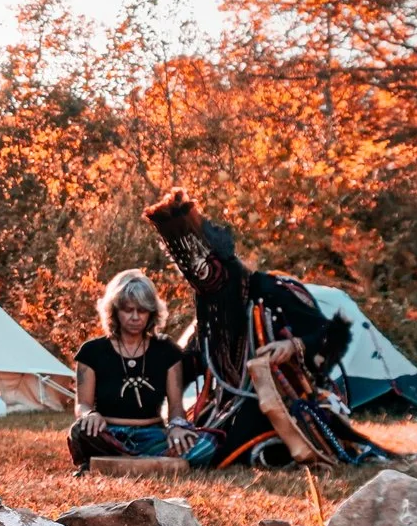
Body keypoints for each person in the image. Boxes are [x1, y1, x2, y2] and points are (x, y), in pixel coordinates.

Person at [144, 188, 388, 469]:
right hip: (228, 402)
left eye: (205, 273)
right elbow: (197, 360)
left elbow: (330, 333)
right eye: (194, 277)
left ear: (220, 263)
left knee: (224, 449)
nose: (202, 283)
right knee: (197, 438)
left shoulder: (268, 290)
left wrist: (292, 346)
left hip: (282, 399)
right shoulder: (211, 309)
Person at [67, 269, 210, 470]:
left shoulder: (167, 350)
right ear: (114, 311)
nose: (135, 317)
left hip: (152, 435)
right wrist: (89, 415)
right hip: (108, 434)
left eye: (142, 310)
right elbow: (82, 404)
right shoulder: (91, 351)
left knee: (206, 445)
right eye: (128, 310)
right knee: (80, 432)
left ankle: (125, 460)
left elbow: (176, 406)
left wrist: (178, 426)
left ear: (152, 313)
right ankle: (150, 461)